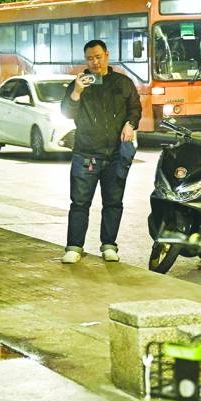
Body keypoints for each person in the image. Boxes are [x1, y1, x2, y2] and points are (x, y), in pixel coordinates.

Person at [59, 40, 142, 264]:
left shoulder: (123, 82)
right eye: (90, 58)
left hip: (115, 154)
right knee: (79, 203)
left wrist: (130, 124)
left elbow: (135, 108)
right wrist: (76, 91)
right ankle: (75, 247)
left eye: (98, 56)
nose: (94, 62)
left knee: (113, 202)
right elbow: (66, 112)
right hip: (86, 153)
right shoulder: (79, 84)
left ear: (107, 55)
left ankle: (109, 245)